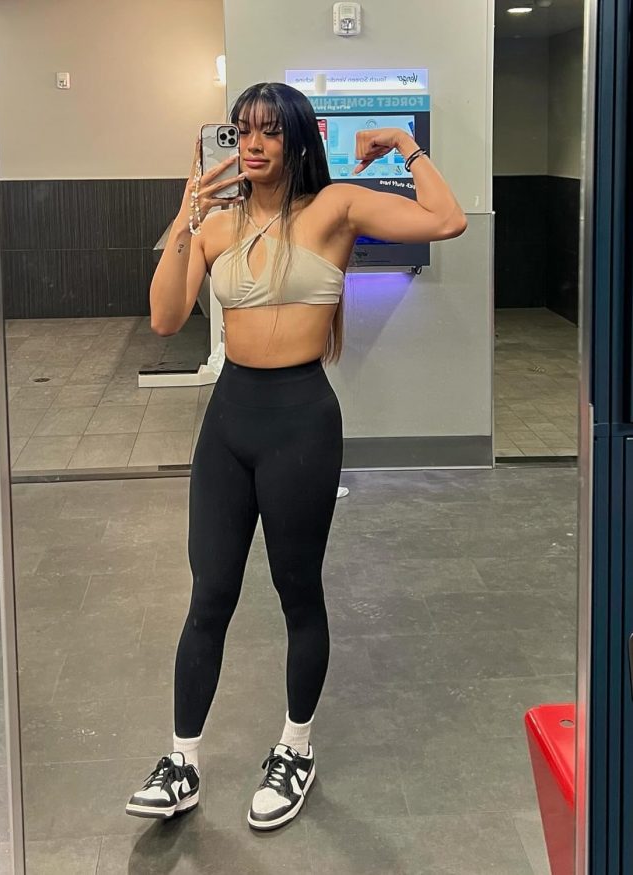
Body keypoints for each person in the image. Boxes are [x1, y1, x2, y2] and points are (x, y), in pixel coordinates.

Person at [125, 82, 467, 830]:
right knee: (209, 594)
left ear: (297, 140)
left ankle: (295, 748)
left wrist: (405, 146)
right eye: (242, 130)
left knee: (297, 590)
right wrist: (186, 213)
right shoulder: (215, 225)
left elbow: (447, 219)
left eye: (269, 131)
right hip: (229, 423)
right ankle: (181, 761)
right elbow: (163, 318)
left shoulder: (334, 208)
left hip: (301, 423)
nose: (252, 144)